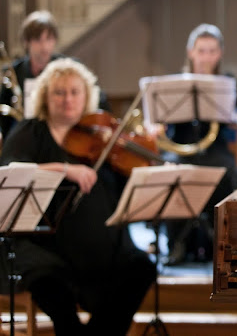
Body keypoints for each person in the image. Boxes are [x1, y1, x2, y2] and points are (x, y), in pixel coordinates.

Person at [0, 58, 155, 336]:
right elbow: (12, 170)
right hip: (46, 246)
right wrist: (64, 169)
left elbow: (131, 181)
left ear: (87, 96)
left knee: (141, 268)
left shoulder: (99, 136)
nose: (67, 99)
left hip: (104, 248)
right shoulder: (31, 130)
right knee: (51, 286)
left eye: (74, 91)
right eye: (59, 92)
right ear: (46, 96)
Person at [162, 23, 237, 264]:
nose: (206, 57)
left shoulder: (227, 82)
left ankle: (220, 242)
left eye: (212, 51)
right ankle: (176, 243)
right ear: (190, 52)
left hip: (215, 149)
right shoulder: (177, 83)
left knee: (229, 174)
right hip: (181, 150)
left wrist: (235, 118)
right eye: (201, 50)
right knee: (171, 173)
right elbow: (163, 123)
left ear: (219, 53)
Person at [0, 10, 110, 139]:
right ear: (27, 42)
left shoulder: (69, 67)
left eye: (49, 39)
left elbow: (99, 100)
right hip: (26, 136)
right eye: (37, 40)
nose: (44, 46)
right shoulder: (14, 72)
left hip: (63, 134)